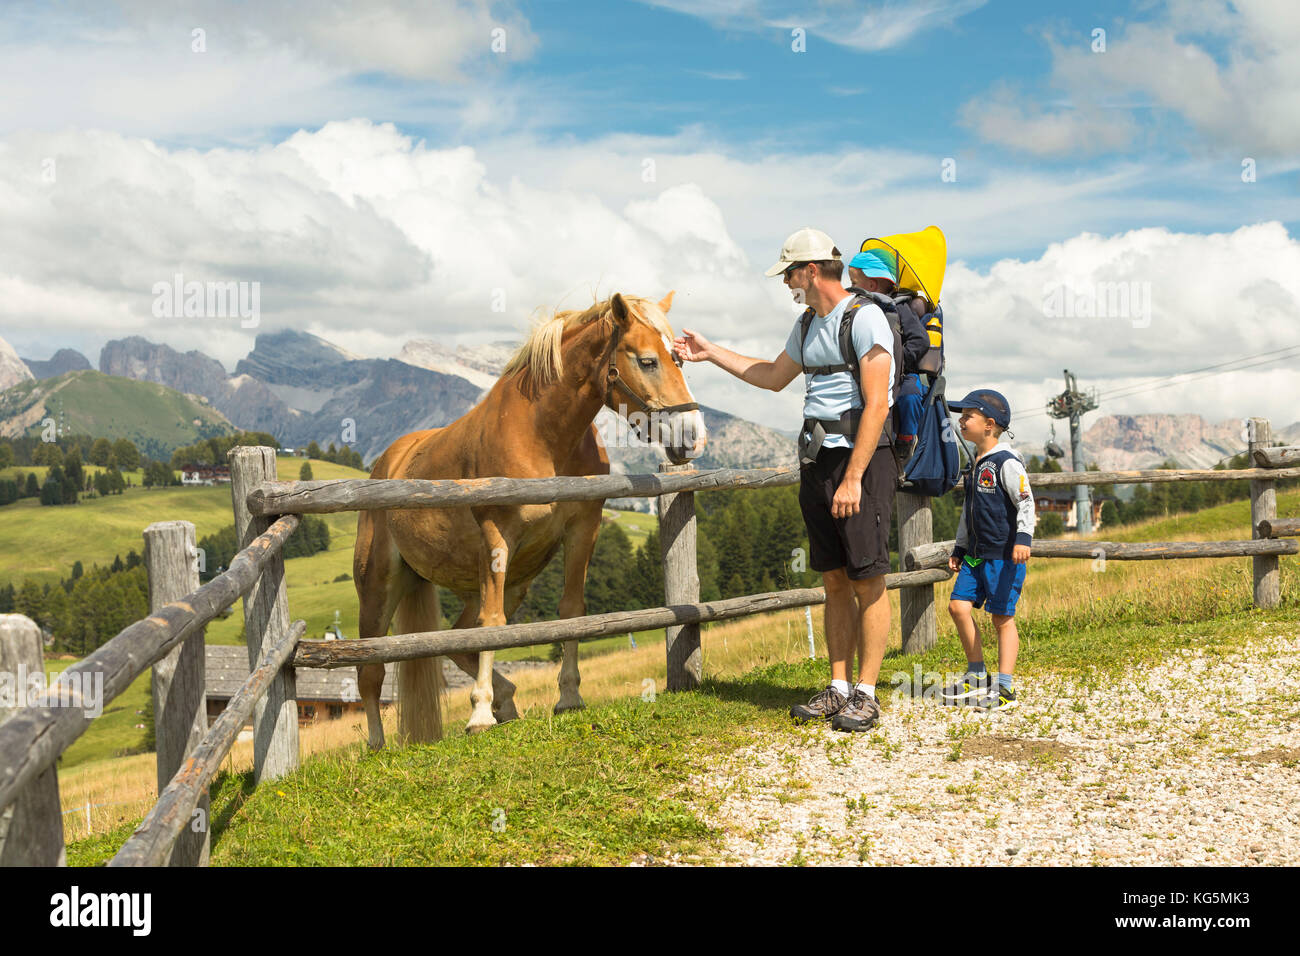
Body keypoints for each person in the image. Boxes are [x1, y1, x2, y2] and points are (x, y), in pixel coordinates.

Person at [672, 227, 897, 732]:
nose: (786, 283)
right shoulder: (806, 323)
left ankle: (867, 693)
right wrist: (710, 353)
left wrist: (854, 477)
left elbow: (878, 403)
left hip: (859, 461)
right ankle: (838, 690)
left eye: (790, 274)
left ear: (811, 271)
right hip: (817, 461)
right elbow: (772, 376)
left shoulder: (868, 320)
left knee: (868, 578)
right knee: (834, 579)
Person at [942, 389, 1035, 711]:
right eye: (961, 415)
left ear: (989, 424)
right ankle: (977, 674)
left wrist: (1023, 538)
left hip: (1003, 555)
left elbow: (1026, 501)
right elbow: (969, 512)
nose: (961, 421)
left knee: (1001, 618)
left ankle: (1005, 689)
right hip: (975, 554)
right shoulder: (974, 464)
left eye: (968, 416)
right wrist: (960, 546)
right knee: (957, 607)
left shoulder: (1007, 462)